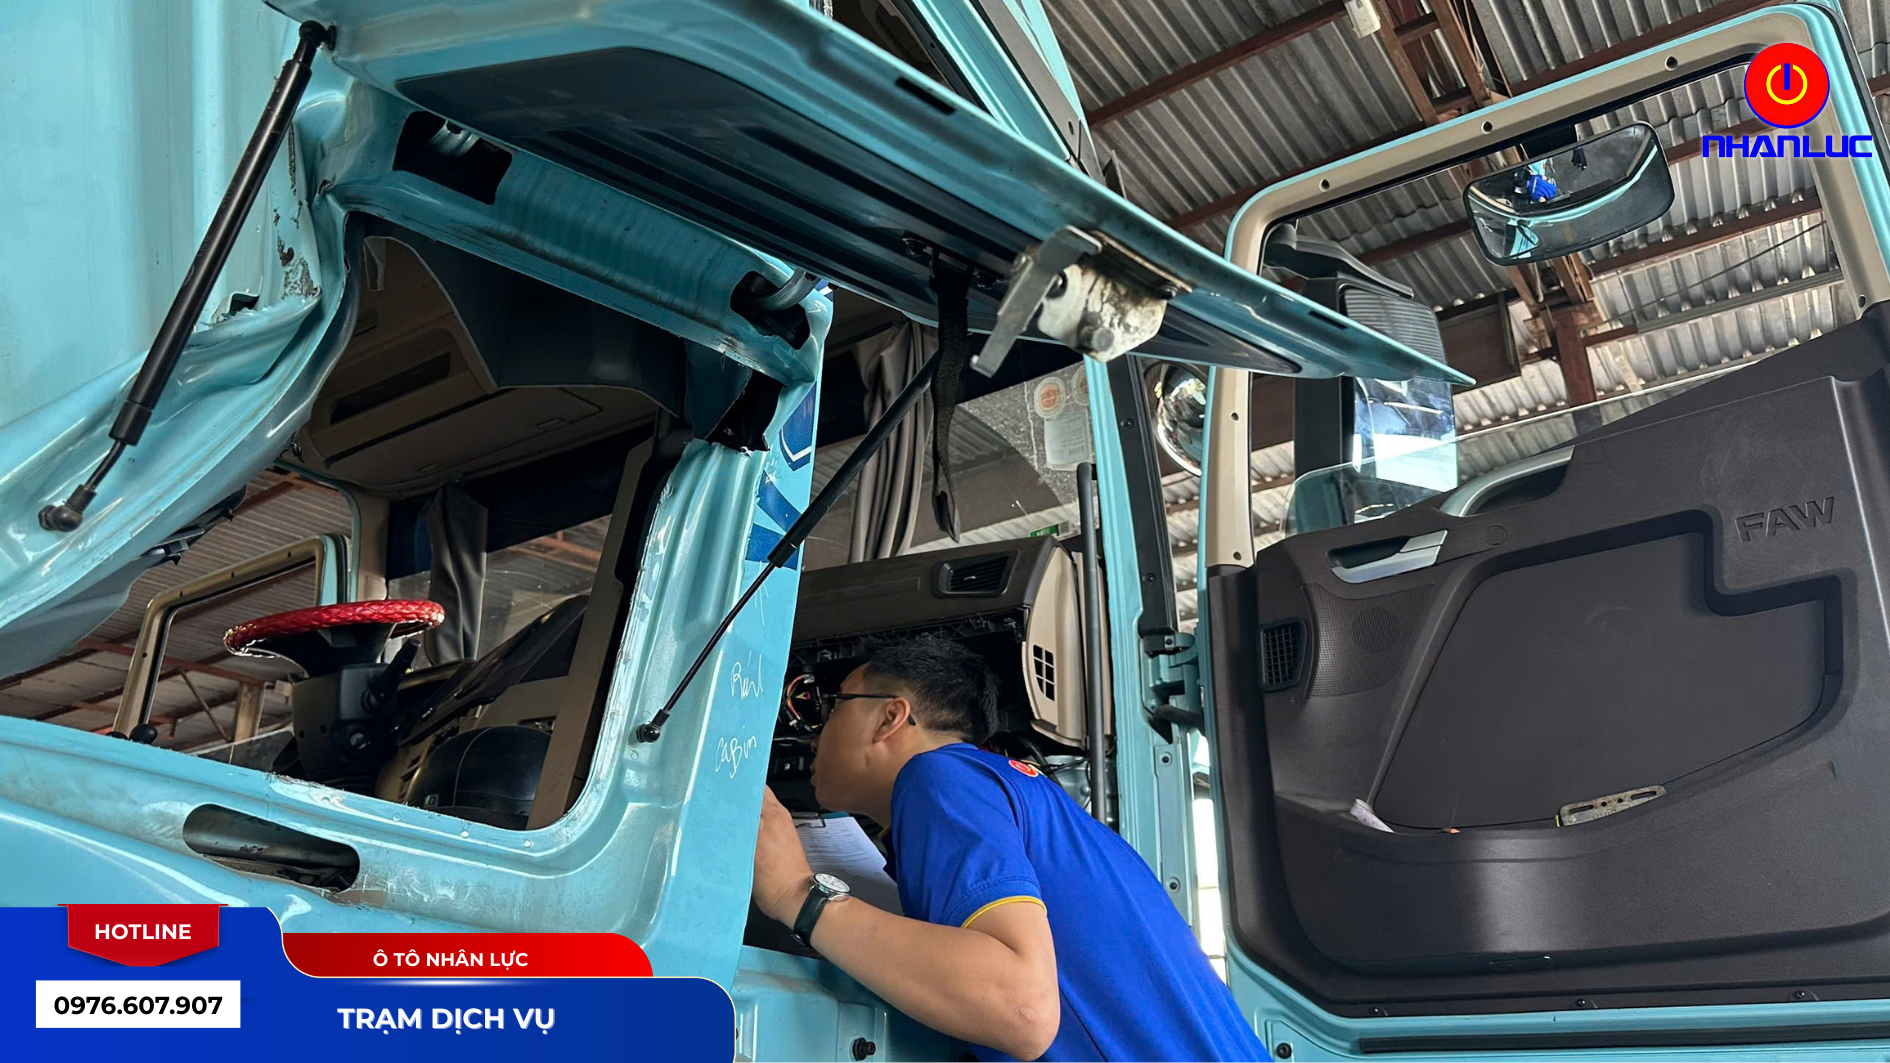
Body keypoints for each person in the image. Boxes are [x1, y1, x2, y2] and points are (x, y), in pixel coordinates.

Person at [750, 633, 1267, 1062]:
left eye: (833, 707)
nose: (816, 734)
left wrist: (797, 894)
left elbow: (1022, 1007)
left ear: (890, 717)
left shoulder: (939, 777)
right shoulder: (1015, 794)